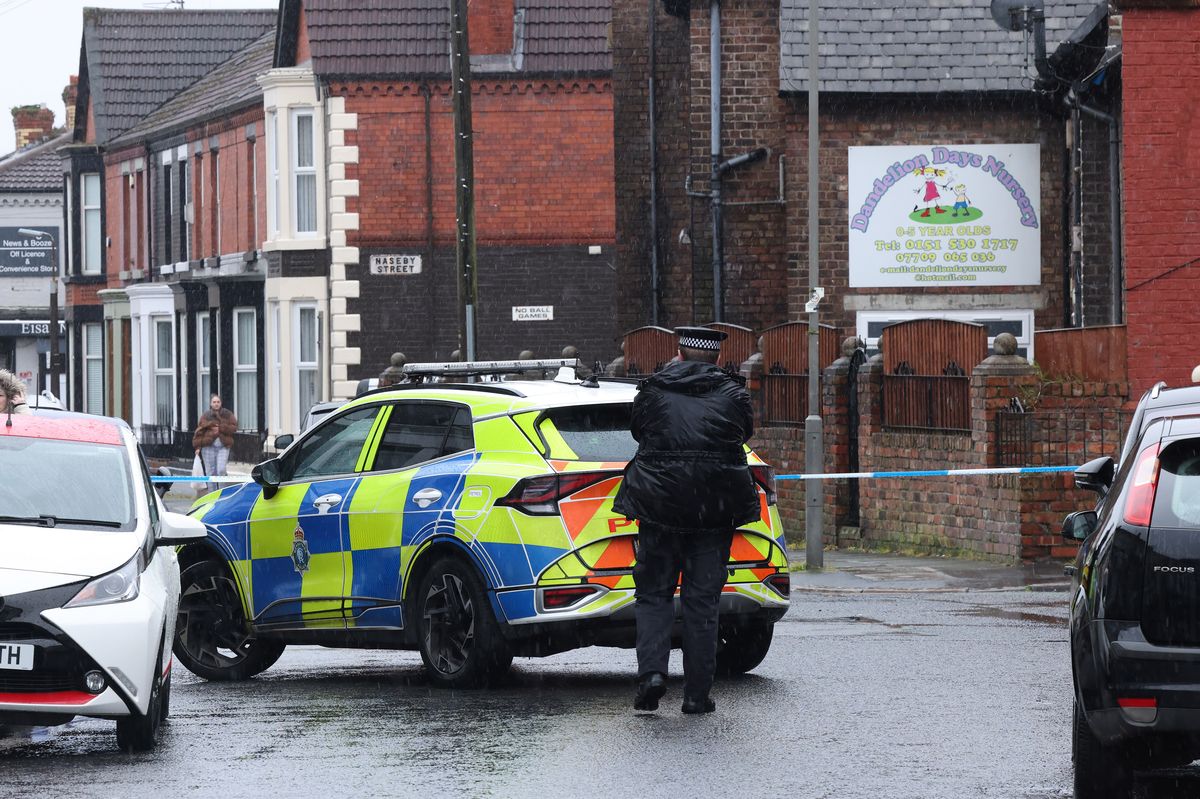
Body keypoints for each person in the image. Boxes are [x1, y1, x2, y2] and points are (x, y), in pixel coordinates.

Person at [613, 326, 760, 715]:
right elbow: (743, 434)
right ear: (716, 359)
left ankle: (652, 676)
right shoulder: (734, 394)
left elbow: (638, 431)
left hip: (660, 507)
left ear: (679, 354)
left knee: (654, 594)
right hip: (714, 511)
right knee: (702, 603)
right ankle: (696, 695)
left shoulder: (654, 390)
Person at [192, 394, 238, 487]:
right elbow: (199, 431)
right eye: (214, 402)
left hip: (223, 446)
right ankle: (212, 495)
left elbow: (234, 427)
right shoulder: (206, 415)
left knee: (221, 470)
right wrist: (198, 447)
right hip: (208, 447)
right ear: (210, 403)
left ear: (221, 403)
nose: (216, 404)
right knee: (210, 473)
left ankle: (222, 493)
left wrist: (221, 428)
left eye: (218, 402)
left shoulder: (227, 414)